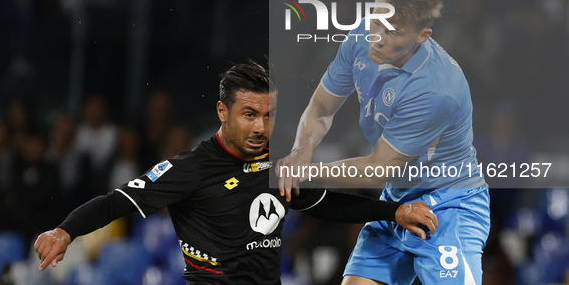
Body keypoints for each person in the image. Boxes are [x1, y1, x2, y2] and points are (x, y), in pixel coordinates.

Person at [34, 60, 437, 284]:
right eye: (249, 115)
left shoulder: (279, 165)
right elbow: (116, 202)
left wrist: (394, 212)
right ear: (222, 112)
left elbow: (325, 204)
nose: (261, 127)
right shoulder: (189, 169)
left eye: (269, 115)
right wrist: (64, 231)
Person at [277, 0, 490, 285]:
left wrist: (311, 171)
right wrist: (299, 152)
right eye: (376, 21)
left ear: (423, 36)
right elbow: (321, 107)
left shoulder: (437, 89)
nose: (377, 36)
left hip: (449, 207)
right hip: (397, 201)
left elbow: (376, 169)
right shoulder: (362, 36)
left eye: (393, 32)